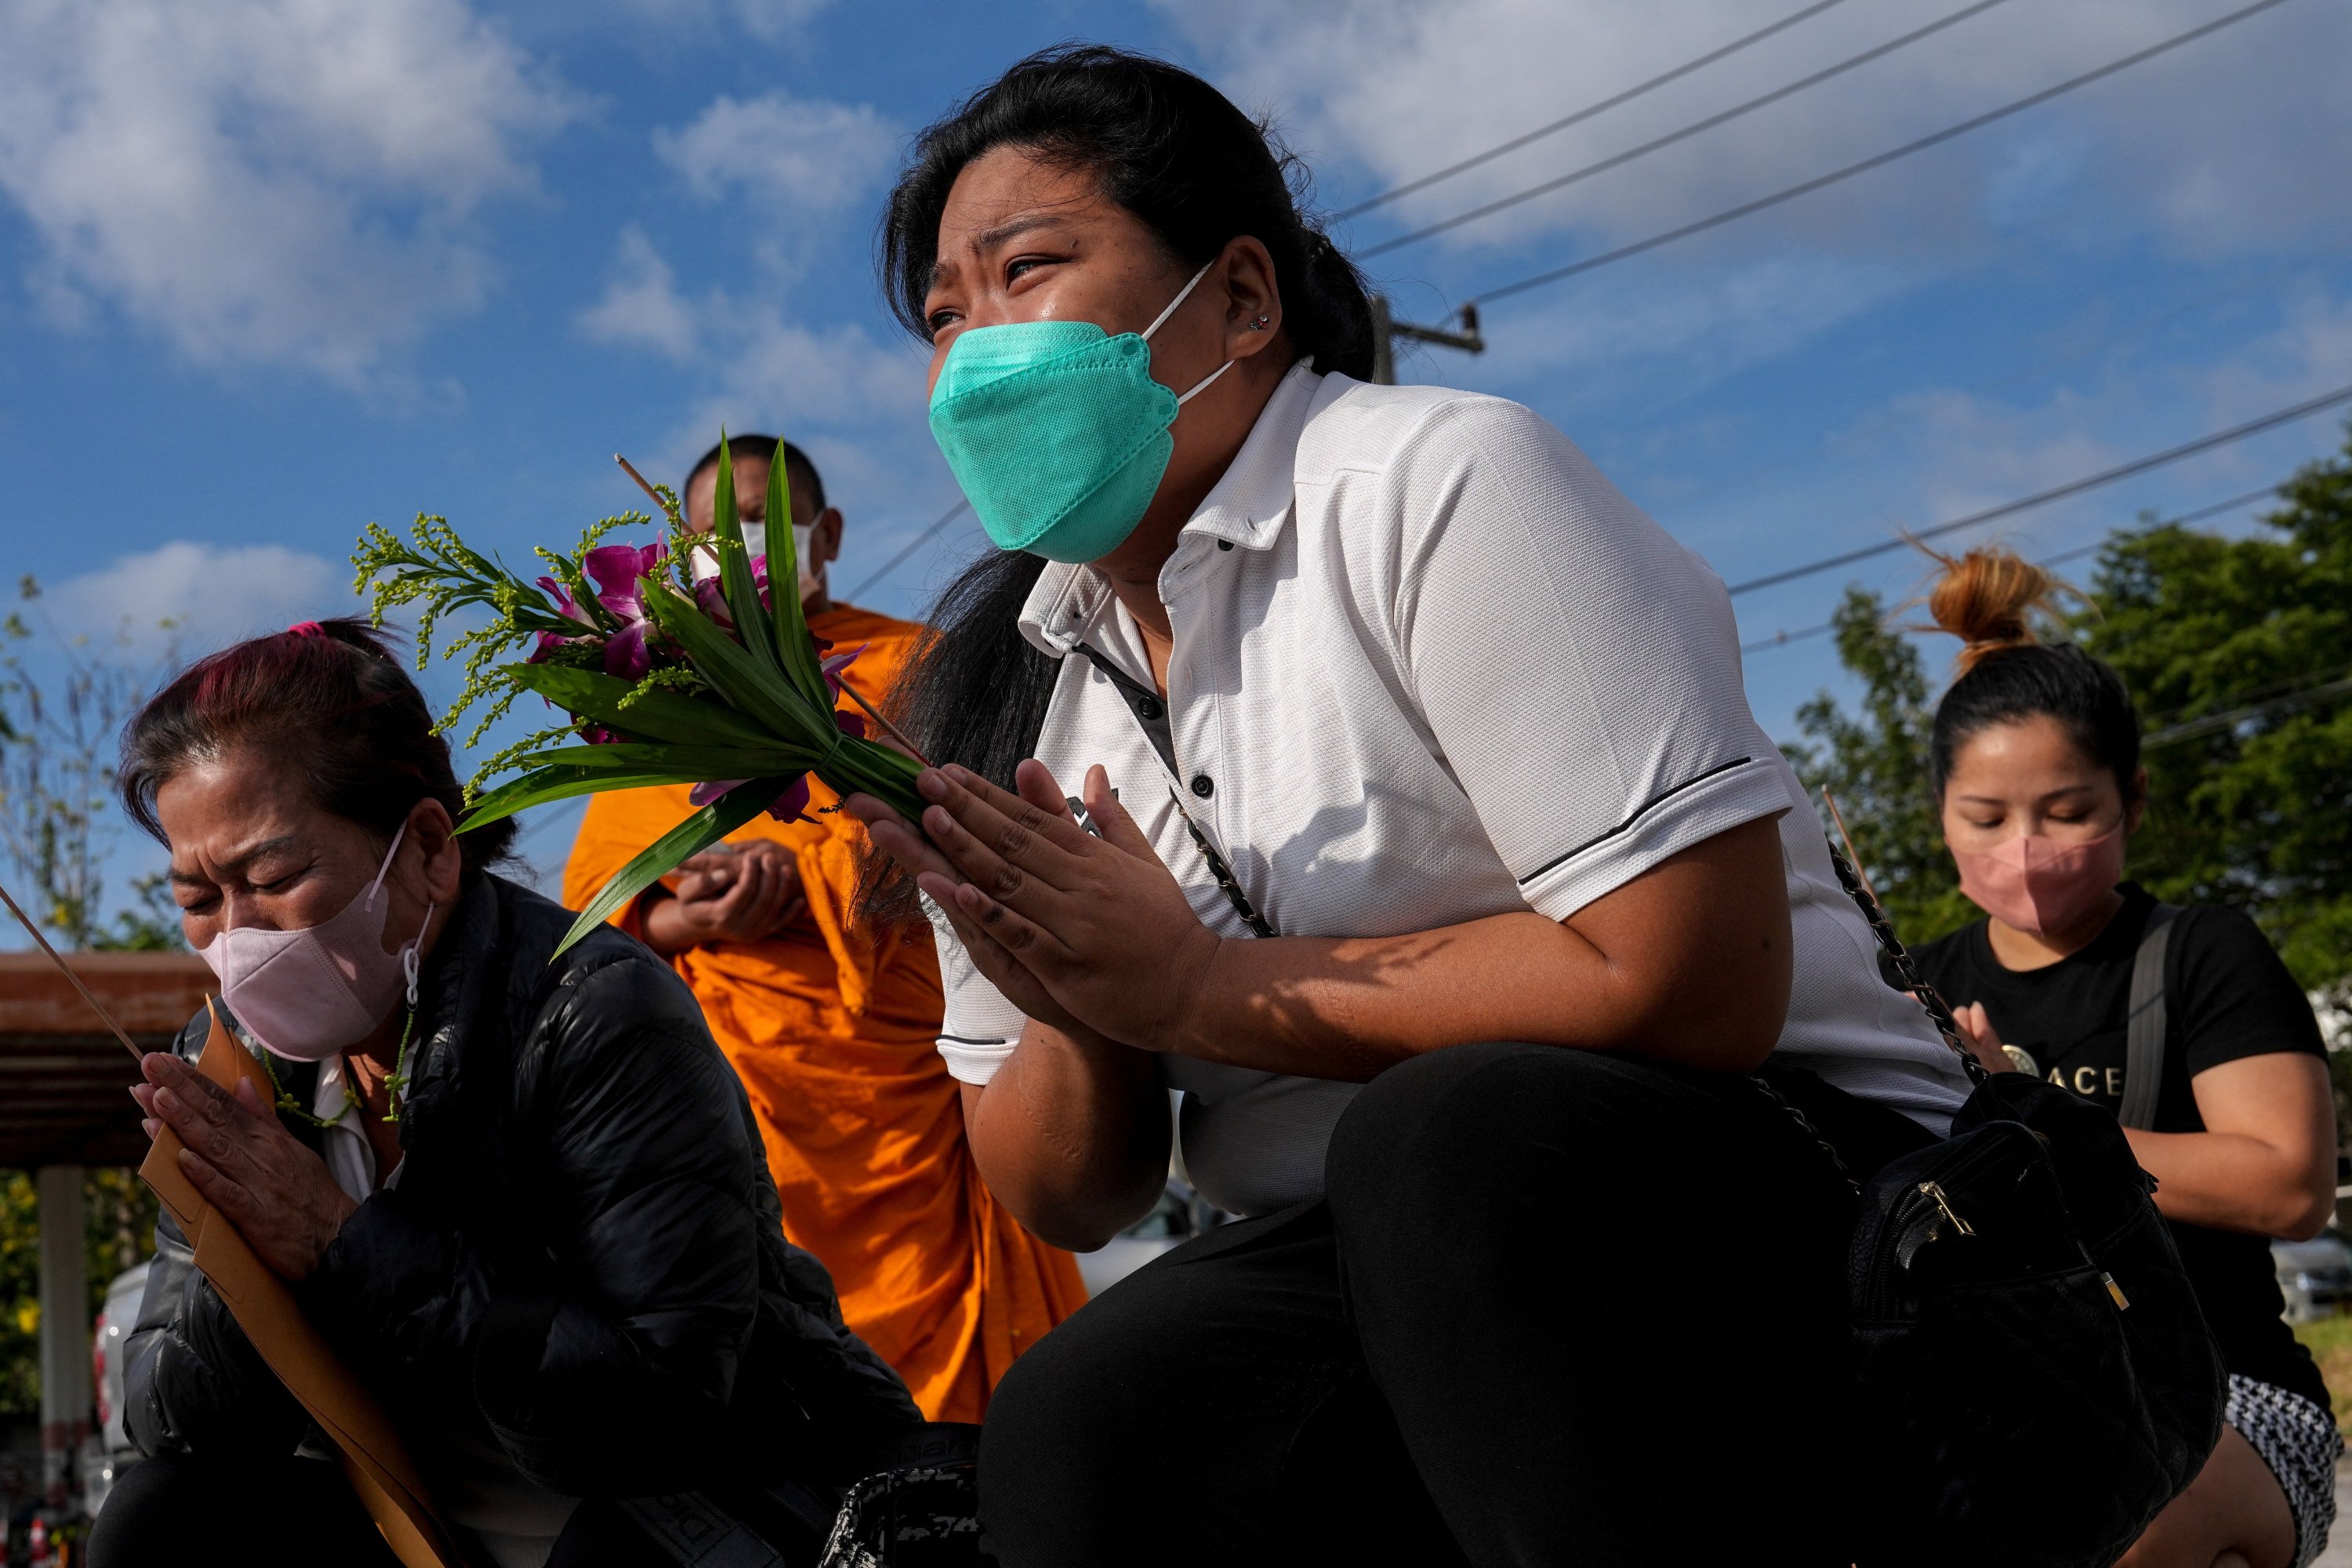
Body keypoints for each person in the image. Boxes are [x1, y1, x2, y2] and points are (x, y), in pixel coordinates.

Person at [848, 45, 1975, 1566]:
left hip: (1801, 1191)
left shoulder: (1440, 484)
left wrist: (1195, 984)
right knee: (1087, 1417)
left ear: (1242, 299)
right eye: (942, 317)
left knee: (1446, 1139)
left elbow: (1694, 980)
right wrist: (1081, 994)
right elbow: (1061, 1186)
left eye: (1028, 270)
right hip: (1383, 1258)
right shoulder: (1002, 697)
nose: (977, 353)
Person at [94, 619, 920, 1568]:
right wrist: (245, 1249)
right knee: (155, 1521)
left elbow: (664, 1405)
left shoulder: (594, 1014)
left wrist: (342, 1245)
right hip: (403, 1513)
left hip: (654, 1509)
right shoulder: (227, 1060)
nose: (238, 935)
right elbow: (165, 1415)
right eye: (200, 900)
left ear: (430, 849)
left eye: (274, 876)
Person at [564, 436, 1085, 1423]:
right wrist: (682, 911)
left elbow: (981, 835)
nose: (732, 545)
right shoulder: (661, 698)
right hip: (735, 1104)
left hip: (906, 1096)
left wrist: (802, 873)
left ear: (825, 531)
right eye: (705, 532)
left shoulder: (913, 666)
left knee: (954, 1436)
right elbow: (606, 897)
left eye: (755, 517)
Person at [1908, 547, 2340, 1568]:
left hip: (2234, 1394)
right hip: (2005, 1411)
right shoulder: (1915, 989)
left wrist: (2027, 1122)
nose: (2027, 848)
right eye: (1987, 819)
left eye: (2069, 812)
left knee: (2111, 1527)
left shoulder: (2199, 952)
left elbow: (2288, 1186)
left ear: (2133, 804)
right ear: (1941, 822)